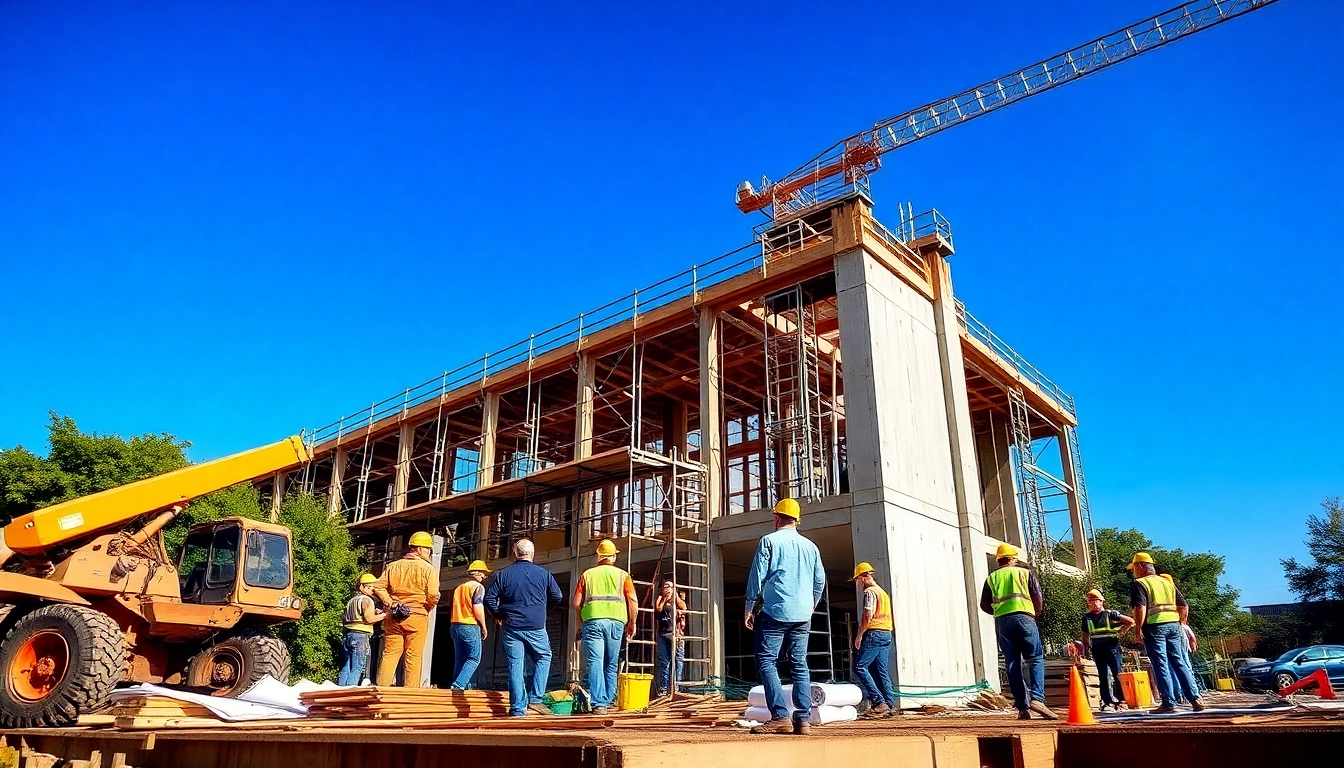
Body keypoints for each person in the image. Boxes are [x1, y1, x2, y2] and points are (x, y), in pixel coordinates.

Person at [744, 498, 826, 736]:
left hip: (775, 611)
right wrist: (810, 604)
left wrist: (749, 606)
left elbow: (757, 576)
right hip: (802, 614)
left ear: (777, 517)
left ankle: (780, 716)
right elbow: (819, 580)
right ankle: (803, 719)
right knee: (799, 662)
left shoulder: (768, 541)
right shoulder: (811, 546)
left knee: (767, 661)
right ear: (797, 519)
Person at [485, 538, 565, 717]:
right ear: (532, 554)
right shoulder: (544, 574)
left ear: (515, 554)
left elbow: (489, 598)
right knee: (544, 656)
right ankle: (535, 699)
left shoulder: (503, 574)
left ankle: (517, 708)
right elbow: (557, 596)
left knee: (515, 664)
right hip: (536, 625)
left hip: (511, 625)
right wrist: (543, 610)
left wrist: (499, 615)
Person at [980, 543, 1056, 720]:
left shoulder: (991, 578)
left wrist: (999, 611)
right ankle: (1037, 699)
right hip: (1025, 617)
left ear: (999, 560)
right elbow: (1037, 597)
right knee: (1035, 659)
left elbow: (984, 605)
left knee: (1012, 663)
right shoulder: (1024, 573)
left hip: (1003, 622)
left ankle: (1023, 707)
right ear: (1013, 558)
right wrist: (1035, 613)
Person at [1128, 552, 1205, 713]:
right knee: (1179, 662)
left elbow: (1140, 608)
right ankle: (1195, 698)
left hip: (1154, 627)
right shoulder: (1166, 582)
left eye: (1134, 567)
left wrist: (1138, 630)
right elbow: (1183, 605)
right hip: (1173, 626)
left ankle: (1169, 702)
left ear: (1141, 566)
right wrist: (1181, 623)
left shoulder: (1140, 584)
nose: (1133, 571)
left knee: (1160, 664)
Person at [572, 539, 638, 715]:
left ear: (598, 556)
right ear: (613, 557)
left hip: (592, 622)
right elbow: (632, 600)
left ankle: (599, 704)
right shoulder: (623, 576)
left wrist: (580, 625)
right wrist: (632, 622)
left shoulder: (587, 575)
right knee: (611, 662)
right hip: (616, 623)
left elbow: (576, 603)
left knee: (595, 662)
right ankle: (609, 700)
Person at [371, 531, 440, 687]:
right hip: (417, 616)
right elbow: (434, 594)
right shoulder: (428, 569)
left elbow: (378, 587)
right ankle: (410, 695)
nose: (429, 552)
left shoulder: (393, 566)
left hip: (394, 615)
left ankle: (381, 692)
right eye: (427, 549)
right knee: (413, 657)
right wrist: (427, 607)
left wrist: (391, 603)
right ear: (419, 548)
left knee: (390, 654)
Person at [850, 562, 897, 719]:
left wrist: (859, 635)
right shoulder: (882, 593)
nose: (857, 584)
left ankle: (879, 702)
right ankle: (889, 704)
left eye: (857, 580)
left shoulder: (870, 592)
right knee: (881, 670)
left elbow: (867, 615)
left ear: (863, 577)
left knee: (860, 667)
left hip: (874, 633)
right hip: (886, 633)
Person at [1080, 588, 1134, 711]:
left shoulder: (1110, 614)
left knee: (1117, 673)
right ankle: (1107, 701)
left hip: (1111, 646)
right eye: (1090, 601)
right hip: (1097, 648)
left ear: (1102, 601)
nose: (1093, 603)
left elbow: (1130, 621)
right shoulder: (1087, 617)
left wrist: (1122, 631)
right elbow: (1085, 634)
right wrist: (1086, 649)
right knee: (1102, 674)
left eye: (1095, 600)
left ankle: (1122, 700)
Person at [449, 559, 491, 690]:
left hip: (455, 625)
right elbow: (477, 607)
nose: (485, 576)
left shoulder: (459, 588)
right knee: (474, 658)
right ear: (477, 573)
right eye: (483, 573)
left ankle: (455, 686)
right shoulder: (478, 587)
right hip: (470, 625)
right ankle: (459, 685)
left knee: (460, 659)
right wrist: (483, 626)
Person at [338, 573, 385, 686]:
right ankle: (349, 693)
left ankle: (339, 692)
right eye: (371, 587)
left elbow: (348, 618)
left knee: (346, 667)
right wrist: (384, 615)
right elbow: (369, 619)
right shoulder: (367, 600)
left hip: (348, 635)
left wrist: (375, 612)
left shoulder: (352, 600)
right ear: (363, 587)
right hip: (360, 637)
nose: (374, 590)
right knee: (357, 667)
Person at [1161, 573, 1202, 700]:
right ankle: (1190, 693)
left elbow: (1184, 606)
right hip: (1177, 629)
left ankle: (1182, 693)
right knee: (1181, 662)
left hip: (1173, 630)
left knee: (1176, 663)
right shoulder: (1172, 594)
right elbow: (1184, 606)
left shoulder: (1168, 593)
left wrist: (1181, 624)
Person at [655, 579, 686, 698]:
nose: (667, 589)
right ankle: (664, 688)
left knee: (678, 661)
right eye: (665, 587)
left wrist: (675, 596)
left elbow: (684, 607)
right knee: (665, 662)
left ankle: (677, 686)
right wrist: (663, 598)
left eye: (670, 587)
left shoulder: (677, 601)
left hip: (676, 634)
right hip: (663, 634)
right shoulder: (660, 600)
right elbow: (657, 609)